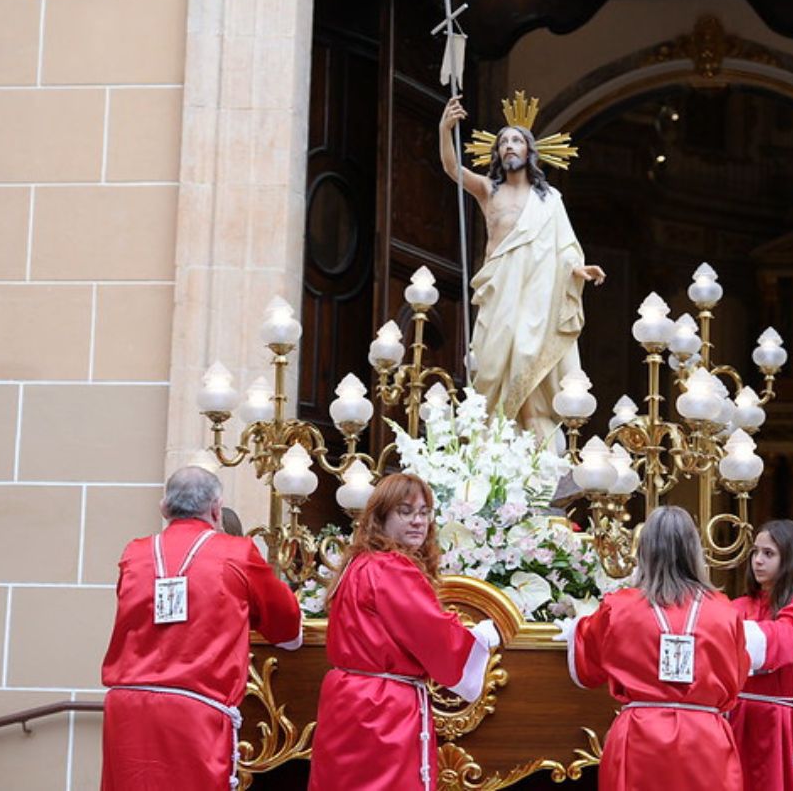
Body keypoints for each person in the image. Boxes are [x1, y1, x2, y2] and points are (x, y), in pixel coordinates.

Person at [101, 466, 303, 790]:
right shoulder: (236, 552)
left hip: (127, 709)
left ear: (164, 508)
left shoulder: (135, 553)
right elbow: (287, 626)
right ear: (216, 509)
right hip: (194, 712)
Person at [308, 473, 499, 791]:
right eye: (405, 511)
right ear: (380, 517)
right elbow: (433, 634)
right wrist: (477, 639)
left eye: (424, 512)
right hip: (382, 709)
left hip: (345, 700)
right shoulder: (392, 568)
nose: (418, 521)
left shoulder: (358, 563)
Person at [439, 97, 605, 441]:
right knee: (492, 359)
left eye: (516, 141)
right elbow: (453, 169)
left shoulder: (550, 200)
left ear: (530, 151)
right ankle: (489, 430)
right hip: (500, 289)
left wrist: (578, 269)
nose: (509, 147)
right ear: (497, 154)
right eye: (503, 143)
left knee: (527, 353)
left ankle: (529, 424)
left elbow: (563, 247)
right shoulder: (489, 190)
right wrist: (445, 129)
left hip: (536, 293)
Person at [564, 506, 750, 791]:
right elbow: (736, 680)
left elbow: (587, 667)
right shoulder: (725, 611)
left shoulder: (620, 607)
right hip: (705, 740)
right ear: (694, 549)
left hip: (640, 736)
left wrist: (574, 626)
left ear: (645, 550)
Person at [732, 519, 793, 791]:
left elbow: (785, 640)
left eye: (768, 553)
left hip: (782, 724)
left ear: (790, 558)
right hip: (740, 720)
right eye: (755, 552)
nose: (758, 561)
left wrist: (733, 638)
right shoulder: (740, 605)